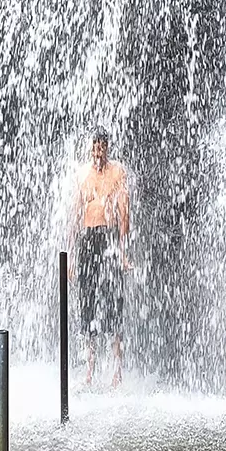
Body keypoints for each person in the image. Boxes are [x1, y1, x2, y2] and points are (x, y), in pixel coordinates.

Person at [69, 127, 130, 387]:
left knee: (114, 299)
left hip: (109, 237)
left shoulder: (118, 173)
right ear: (90, 147)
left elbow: (124, 214)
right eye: (95, 146)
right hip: (87, 238)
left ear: (107, 147)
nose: (99, 151)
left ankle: (117, 370)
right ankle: (90, 370)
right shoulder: (82, 175)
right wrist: (70, 256)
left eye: (103, 146)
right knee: (87, 301)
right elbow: (74, 216)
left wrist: (124, 252)